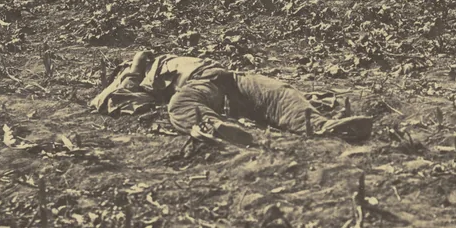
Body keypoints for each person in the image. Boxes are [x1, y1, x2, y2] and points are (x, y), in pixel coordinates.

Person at [92, 51, 372, 145]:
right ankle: (216, 129)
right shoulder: (136, 78)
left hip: (228, 77)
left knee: (280, 94)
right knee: (181, 106)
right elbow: (112, 99)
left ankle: (323, 127)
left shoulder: (168, 58)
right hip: (200, 88)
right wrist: (134, 70)